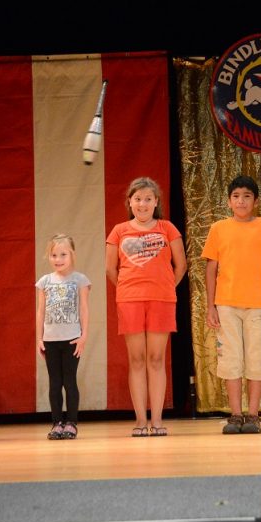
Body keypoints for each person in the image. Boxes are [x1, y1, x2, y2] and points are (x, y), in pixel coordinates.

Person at [106, 177, 187, 437]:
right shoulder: (119, 231)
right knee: (137, 359)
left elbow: (181, 265)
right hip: (130, 300)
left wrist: (165, 287)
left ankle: (158, 420)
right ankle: (141, 420)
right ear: (130, 202)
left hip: (161, 300)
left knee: (156, 359)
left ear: (156, 202)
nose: (142, 204)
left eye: (148, 199)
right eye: (137, 199)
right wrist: (129, 289)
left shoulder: (168, 228)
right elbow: (110, 269)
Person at [202, 175, 261, 434]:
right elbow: (211, 268)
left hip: (257, 304)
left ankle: (253, 414)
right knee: (231, 359)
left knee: (256, 358)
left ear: (255, 201)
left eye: (247, 196)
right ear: (228, 201)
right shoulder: (218, 229)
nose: (241, 201)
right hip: (226, 303)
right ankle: (235, 414)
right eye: (236, 196)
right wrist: (210, 306)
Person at [36, 234, 91, 440]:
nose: (58, 259)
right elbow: (40, 311)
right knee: (54, 382)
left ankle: (72, 423)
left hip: (72, 339)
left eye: (63, 254)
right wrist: (39, 338)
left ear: (72, 255)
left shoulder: (80, 280)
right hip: (50, 340)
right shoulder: (45, 282)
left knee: (70, 381)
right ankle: (57, 422)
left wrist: (84, 336)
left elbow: (84, 309)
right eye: (53, 255)